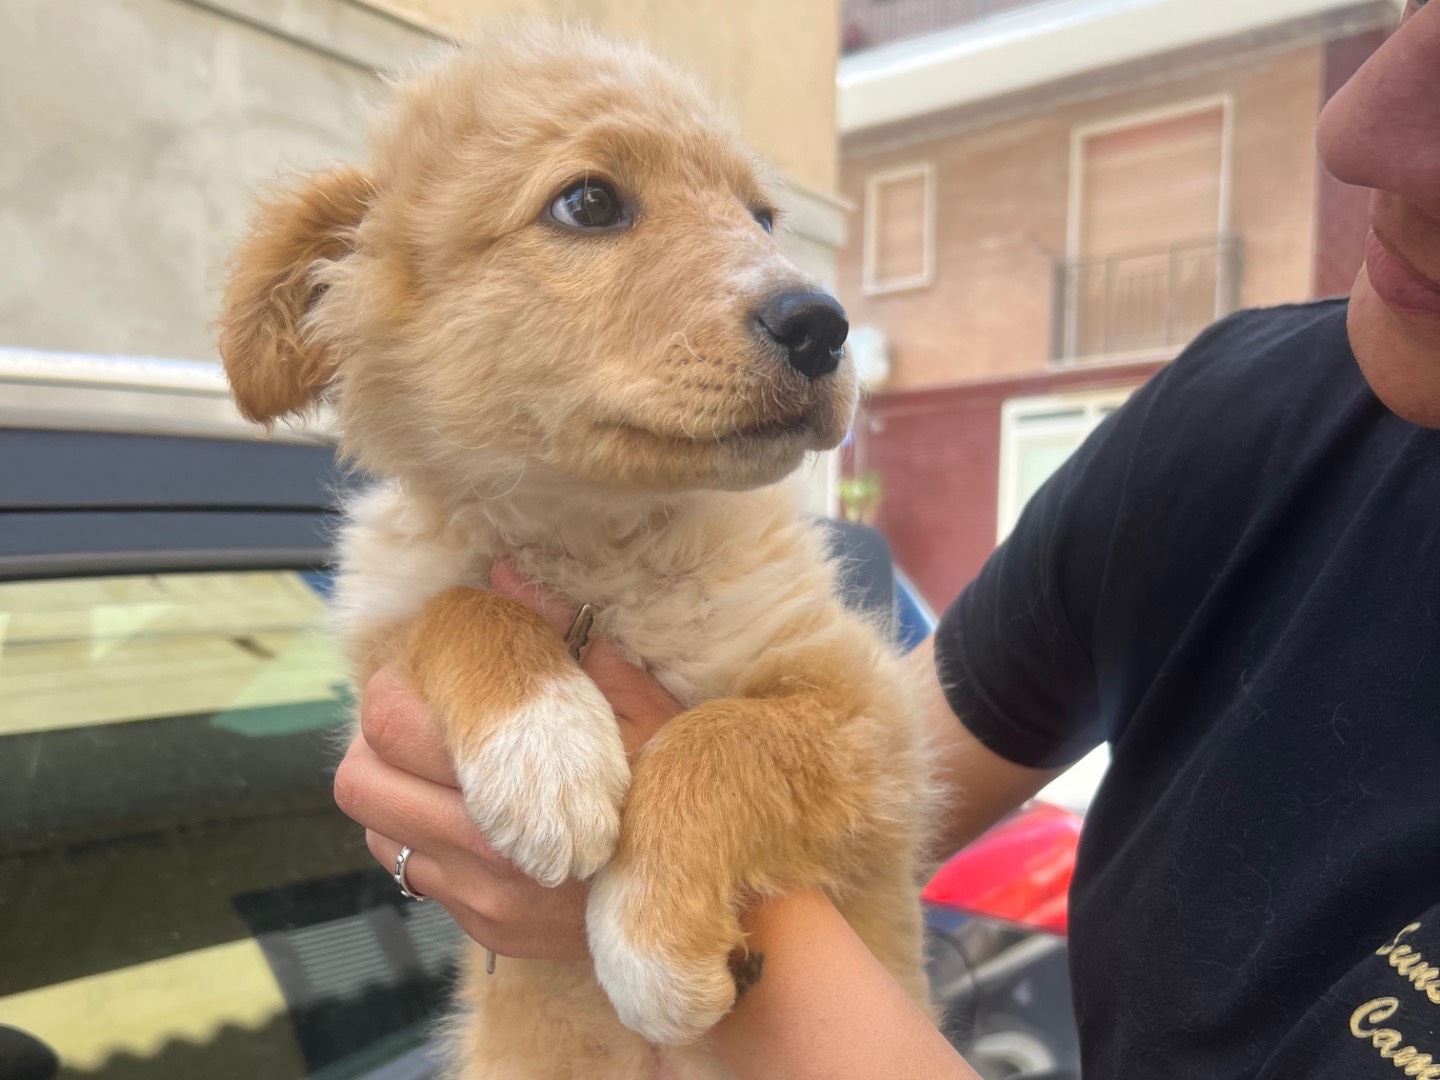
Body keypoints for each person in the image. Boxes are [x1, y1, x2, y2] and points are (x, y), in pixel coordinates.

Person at [333, 2, 1440, 1076]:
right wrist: (470, 677)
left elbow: (836, 769)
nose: (1355, 123)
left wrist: (702, 877)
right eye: (590, 204)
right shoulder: (1235, 426)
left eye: (757, 218)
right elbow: (904, 759)